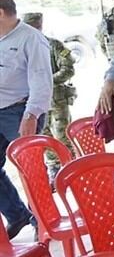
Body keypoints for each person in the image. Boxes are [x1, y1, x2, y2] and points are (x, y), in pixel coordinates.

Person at [0, 0, 50, 238]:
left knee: (31, 169)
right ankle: (17, 214)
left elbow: (42, 81)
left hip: (20, 111)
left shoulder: (31, 38)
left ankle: (44, 222)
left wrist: (31, 115)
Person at [22, 12, 75, 183]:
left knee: (62, 136)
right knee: (45, 139)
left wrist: (46, 81)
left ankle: (72, 168)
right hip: (37, 104)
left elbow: (68, 69)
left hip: (57, 101)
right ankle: (55, 169)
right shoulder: (23, 49)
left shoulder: (53, 45)